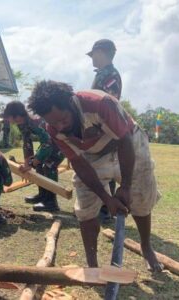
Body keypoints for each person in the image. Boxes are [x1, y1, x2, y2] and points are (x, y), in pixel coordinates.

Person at [28, 80, 163, 272]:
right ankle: (92, 264)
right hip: (92, 152)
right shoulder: (54, 130)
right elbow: (79, 163)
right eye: (53, 123)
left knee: (140, 196)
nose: (60, 126)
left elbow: (124, 141)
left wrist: (125, 187)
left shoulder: (100, 103)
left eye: (64, 119)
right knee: (86, 205)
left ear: (71, 103)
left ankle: (146, 247)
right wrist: (106, 198)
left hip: (128, 141)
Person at [2, 101, 64, 212]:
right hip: (50, 144)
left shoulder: (34, 122)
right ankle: (43, 196)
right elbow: (27, 144)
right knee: (39, 166)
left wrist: (36, 160)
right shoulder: (22, 123)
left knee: (49, 167)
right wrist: (27, 164)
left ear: (16, 115)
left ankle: (51, 203)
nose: (7, 119)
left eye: (8, 116)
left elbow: (48, 143)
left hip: (60, 144)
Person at [87, 39, 122, 220]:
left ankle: (105, 209)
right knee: (99, 167)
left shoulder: (110, 75)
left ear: (100, 52)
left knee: (105, 168)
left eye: (93, 55)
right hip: (98, 128)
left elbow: (110, 104)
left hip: (104, 129)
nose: (91, 59)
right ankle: (102, 207)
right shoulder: (102, 74)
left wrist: (102, 130)